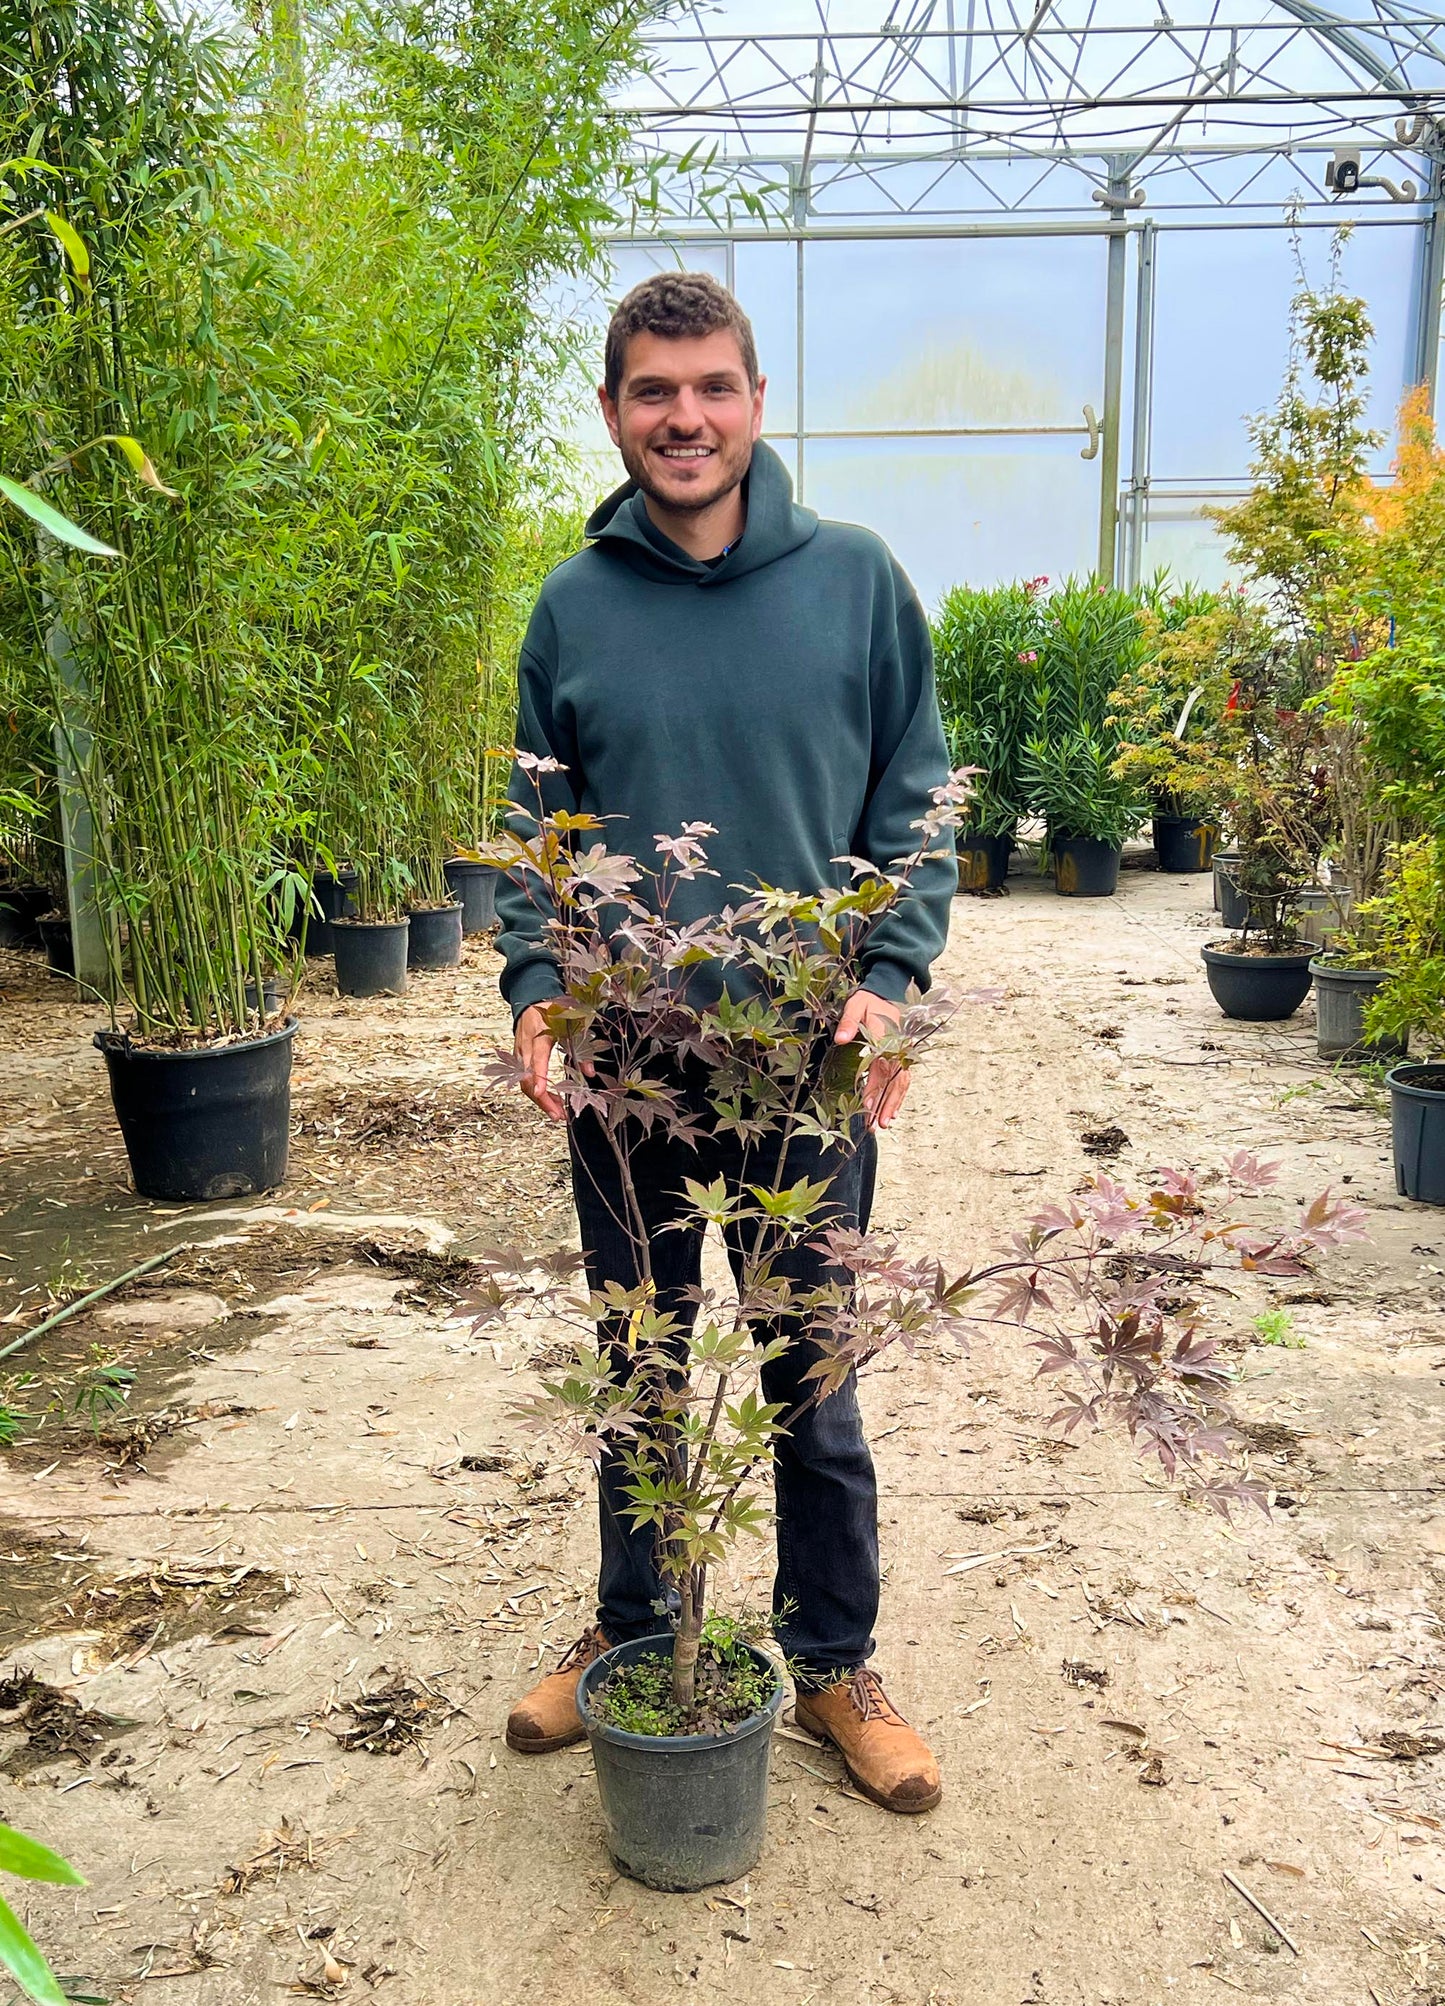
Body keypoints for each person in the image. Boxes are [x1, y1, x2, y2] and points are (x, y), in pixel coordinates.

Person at [493, 271, 956, 1814]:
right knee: (637, 1360)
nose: (681, 418)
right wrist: (526, 982)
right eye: (650, 391)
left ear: (756, 400)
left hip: (801, 1058)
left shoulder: (857, 581)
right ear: (615, 409)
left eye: (709, 387)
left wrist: (890, 973)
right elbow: (532, 827)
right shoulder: (574, 603)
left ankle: (830, 1660)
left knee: (805, 1373)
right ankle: (632, 1628)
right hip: (629, 1060)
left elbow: (917, 812)